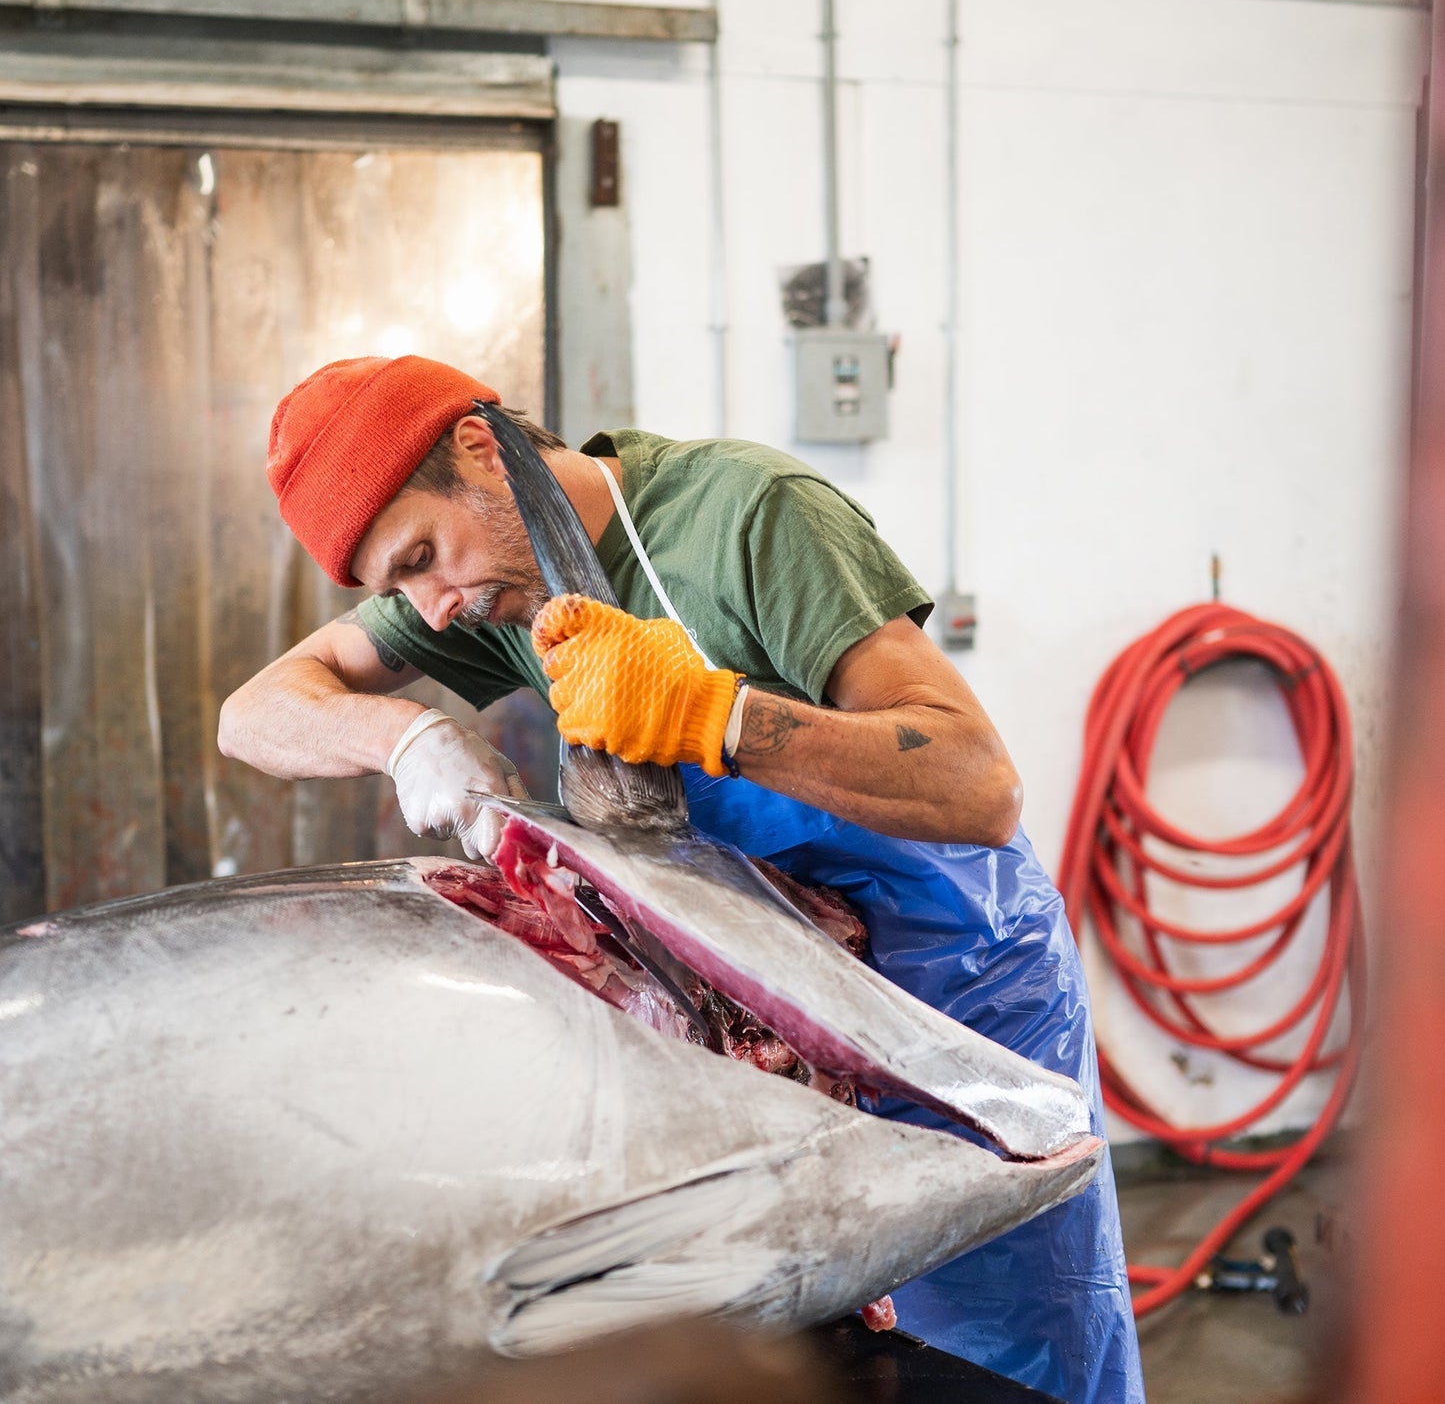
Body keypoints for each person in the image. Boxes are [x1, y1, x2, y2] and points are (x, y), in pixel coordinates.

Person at [220, 353, 1145, 1404]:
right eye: (398, 586)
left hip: (951, 1007)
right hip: (766, 1033)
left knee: (996, 1358)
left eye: (424, 555)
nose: (430, 612)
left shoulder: (746, 516)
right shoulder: (489, 589)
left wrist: (718, 714)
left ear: (481, 449)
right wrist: (403, 733)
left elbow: (976, 783)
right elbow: (251, 711)